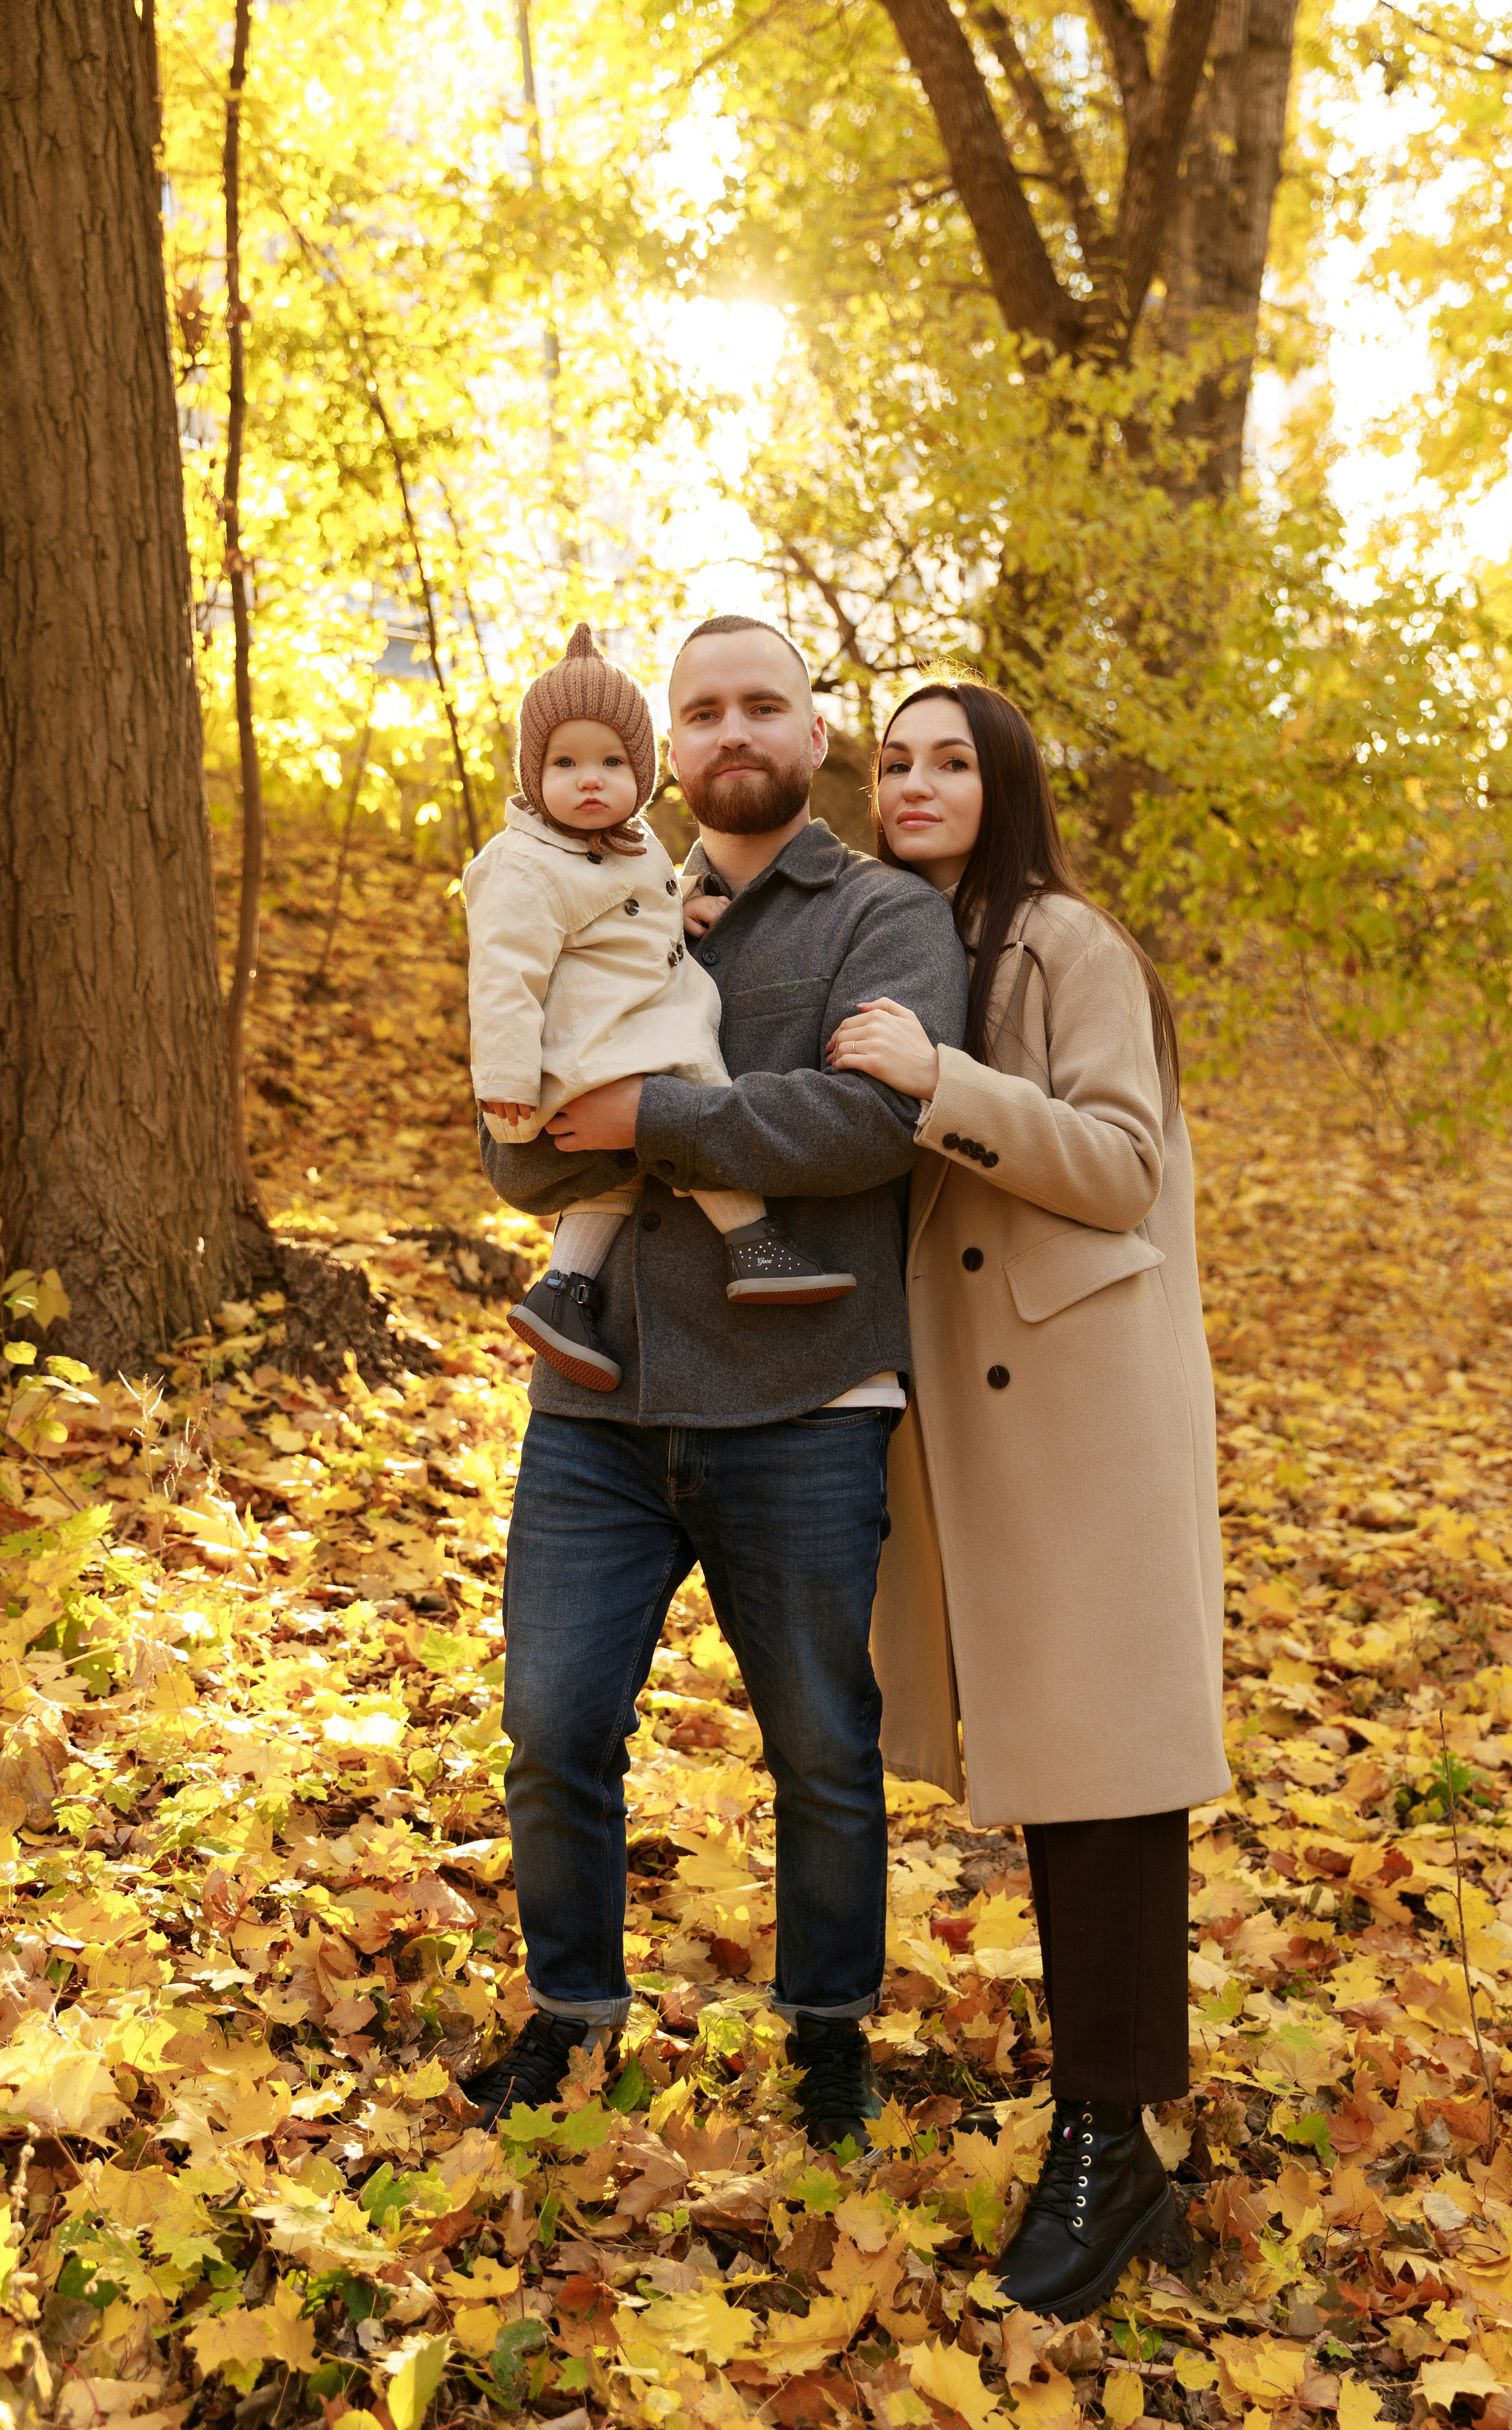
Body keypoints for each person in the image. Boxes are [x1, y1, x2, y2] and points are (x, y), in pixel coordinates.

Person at [461, 614, 969, 2146]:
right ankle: (571, 2013)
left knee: (820, 1741)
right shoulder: (593, 885)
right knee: (551, 1723)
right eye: (701, 712)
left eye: (765, 705)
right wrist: (659, 1113)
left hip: (804, 1398)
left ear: (815, 738)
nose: (729, 731)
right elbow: (512, 1148)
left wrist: (652, 1108)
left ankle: (826, 2034)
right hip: (596, 1398)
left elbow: (871, 1131)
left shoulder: (882, 917)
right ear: (666, 750)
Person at [827, 676, 1229, 2317]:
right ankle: (1115, 2131)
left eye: (952, 760)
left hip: (1078, 1415)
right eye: (897, 762)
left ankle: (1111, 2142)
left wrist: (941, 1085)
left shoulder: (1066, 941)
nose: (917, 782)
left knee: (1107, 1775)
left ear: (1006, 783)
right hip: (986, 1413)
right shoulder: (911, 939)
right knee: (1068, 1778)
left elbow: (1122, 1160)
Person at [464, 623, 855, 1393]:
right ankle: (752, 1240)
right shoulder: (520, 864)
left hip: (802, 1390)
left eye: (612, 763)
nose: (590, 781)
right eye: (565, 763)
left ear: (646, 772)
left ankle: (563, 1290)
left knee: (621, 1164)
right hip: (597, 1043)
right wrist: (508, 1086)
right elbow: (504, 986)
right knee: (690, 1089)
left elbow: (615, 909)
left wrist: (674, 913)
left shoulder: (633, 846)